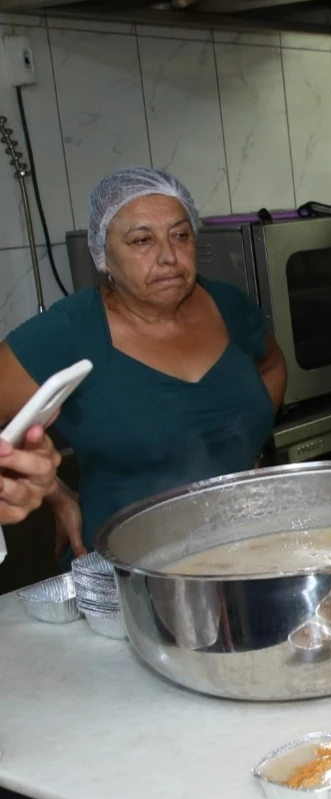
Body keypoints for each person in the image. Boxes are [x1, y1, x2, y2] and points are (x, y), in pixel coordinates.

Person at [0, 167, 286, 556]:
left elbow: (271, 366)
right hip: (125, 564)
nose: (168, 257)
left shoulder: (228, 305)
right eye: (142, 240)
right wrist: (55, 492)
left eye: (180, 235)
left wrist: (241, 443)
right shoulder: (69, 330)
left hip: (243, 544)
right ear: (103, 256)